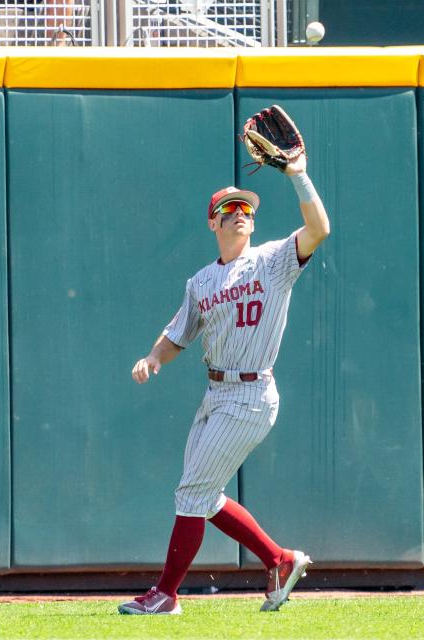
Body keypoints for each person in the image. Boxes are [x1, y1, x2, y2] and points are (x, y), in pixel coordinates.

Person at [119, 146, 330, 615]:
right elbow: (178, 335)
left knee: (191, 493)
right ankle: (279, 559)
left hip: (252, 393)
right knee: (204, 495)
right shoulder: (199, 282)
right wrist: (153, 358)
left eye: (246, 209)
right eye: (228, 209)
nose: (239, 213)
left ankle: (165, 595)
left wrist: (298, 176)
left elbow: (319, 229)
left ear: (253, 223)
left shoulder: (272, 261)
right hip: (217, 392)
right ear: (213, 223)